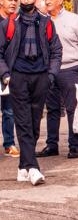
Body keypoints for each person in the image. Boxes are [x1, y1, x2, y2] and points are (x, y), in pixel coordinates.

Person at [0, 0, 62, 185]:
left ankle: (22, 167)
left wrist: (51, 74)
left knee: (34, 123)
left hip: (41, 77)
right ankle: (33, 168)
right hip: (18, 77)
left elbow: (56, 50)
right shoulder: (9, 23)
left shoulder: (45, 21)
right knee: (24, 122)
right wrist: (5, 75)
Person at [36, 0, 78, 159]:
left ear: (60, 1)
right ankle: (51, 145)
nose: (47, 1)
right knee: (52, 109)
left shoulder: (74, 19)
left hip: (69, 70)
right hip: (48, 71)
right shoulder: (41, 20)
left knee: (72, 110)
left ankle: (74, 146)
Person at [0, 0, 20, 158]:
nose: (13, 3)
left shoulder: (17, 21)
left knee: (9, 110)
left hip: (9, 73)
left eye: (16, 0)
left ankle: (9, 144)